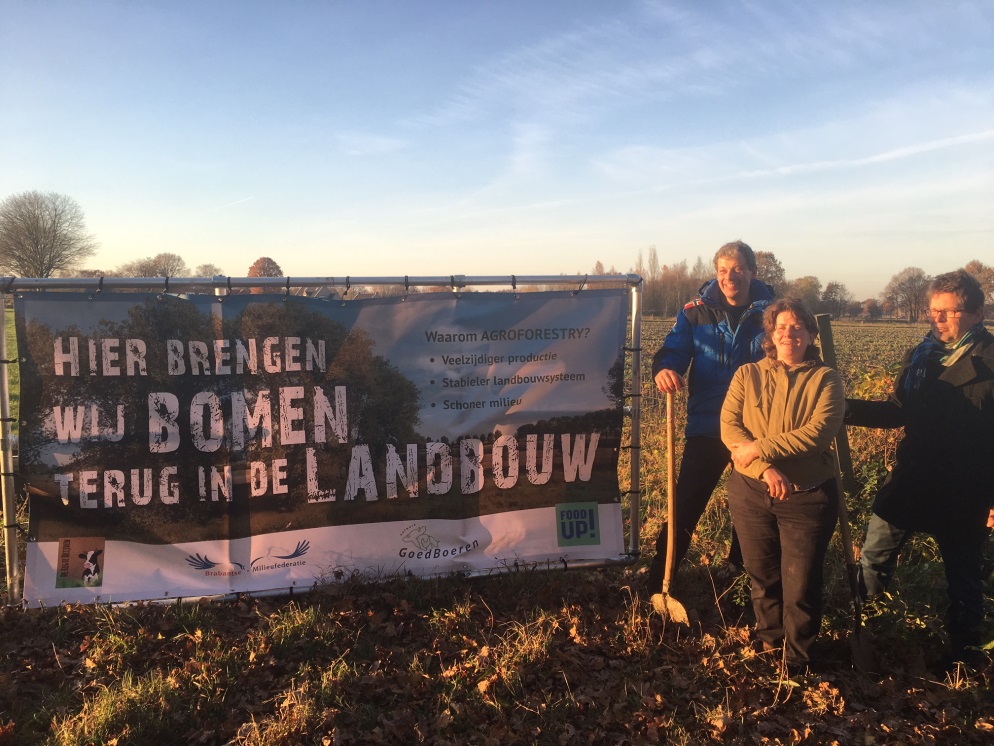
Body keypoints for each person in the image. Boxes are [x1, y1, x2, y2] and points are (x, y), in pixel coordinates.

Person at [846, 269, 994, 669]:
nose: (937, 319)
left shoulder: (992, 360)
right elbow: (899, 412)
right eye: (933, 311)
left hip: (966, 487)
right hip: (912, 476)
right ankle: (859, 625)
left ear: (978, 312)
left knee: (963, 575)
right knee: (874, 554)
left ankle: (964, 656)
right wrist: (843, 409)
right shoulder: (918, 356)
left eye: (949, 312)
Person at [720, 298, 845, 670]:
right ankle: (769, 645)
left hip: (806, 497)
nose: (789, 334)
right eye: (781, 328)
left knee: (801, 585)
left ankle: (798, 660)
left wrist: (759, 448)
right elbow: (730, 428)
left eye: (797, 327)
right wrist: (765, 468)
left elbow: (817, 435)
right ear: (770, 335)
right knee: (762, 576)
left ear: (810, 334)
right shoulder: (747, 375)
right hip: (751, 492)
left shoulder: (827, 379)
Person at [646, 240, 774, 592]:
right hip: (708, 424)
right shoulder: (694, 312)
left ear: (752, 271)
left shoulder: (775, 313)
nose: (729, 277)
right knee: (687, 501)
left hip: (758, 428)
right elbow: (674, 349)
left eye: (736, 270)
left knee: (750, 507)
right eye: (722, 271)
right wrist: (665, 369)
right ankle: (661, 577)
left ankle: (739, 573)